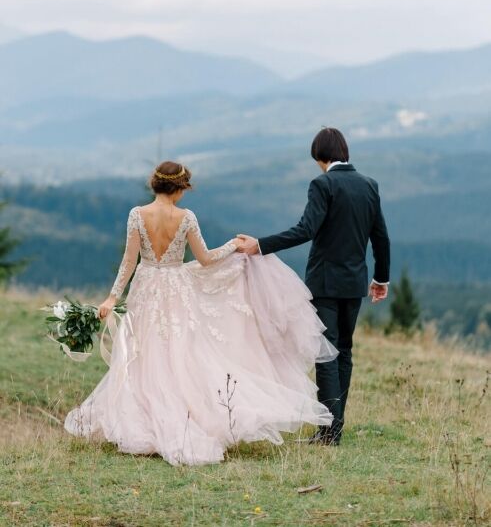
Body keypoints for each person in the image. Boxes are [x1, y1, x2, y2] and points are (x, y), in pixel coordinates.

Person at [65, 161, 338, 466]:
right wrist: (233, 246)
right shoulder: (186, 217)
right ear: (180, 188)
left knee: (145, 353)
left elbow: (129, 262)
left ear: (155, 184)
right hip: (174, 288)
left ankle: (144, 420)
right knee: (179, 353)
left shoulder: (136, 215)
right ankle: (181, 418)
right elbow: (206, 259)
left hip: (145, 289)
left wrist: (112, 297)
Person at [237, 128, 390, 446]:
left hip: (325, 283)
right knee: (344, 351)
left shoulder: (323, 184)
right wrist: (381, 279)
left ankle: (328, 432)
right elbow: (380, 237)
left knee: (327, 353)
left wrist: (260, 245)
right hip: (355, 283)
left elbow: (305, 229)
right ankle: (335, 428)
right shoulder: (369, 185)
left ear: (320, 156)